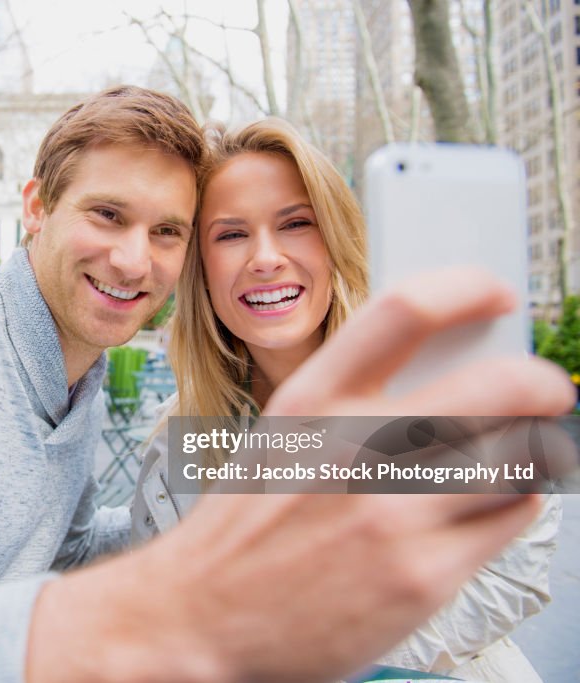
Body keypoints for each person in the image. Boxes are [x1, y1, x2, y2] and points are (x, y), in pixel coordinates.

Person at [0, 87, 574, 683]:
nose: (131, 257)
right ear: (36, 207)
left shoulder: (100, 394)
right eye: (108, 214)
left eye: (166, 232)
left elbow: (79, 542)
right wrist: (191, 611)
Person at [132, 118, 563, 682]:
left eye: (295, 223)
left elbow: (513, 576)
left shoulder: (438, 387)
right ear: (202, 272)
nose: (265, 257)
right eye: (231, 234)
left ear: (335, 240)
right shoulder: (179, 445)